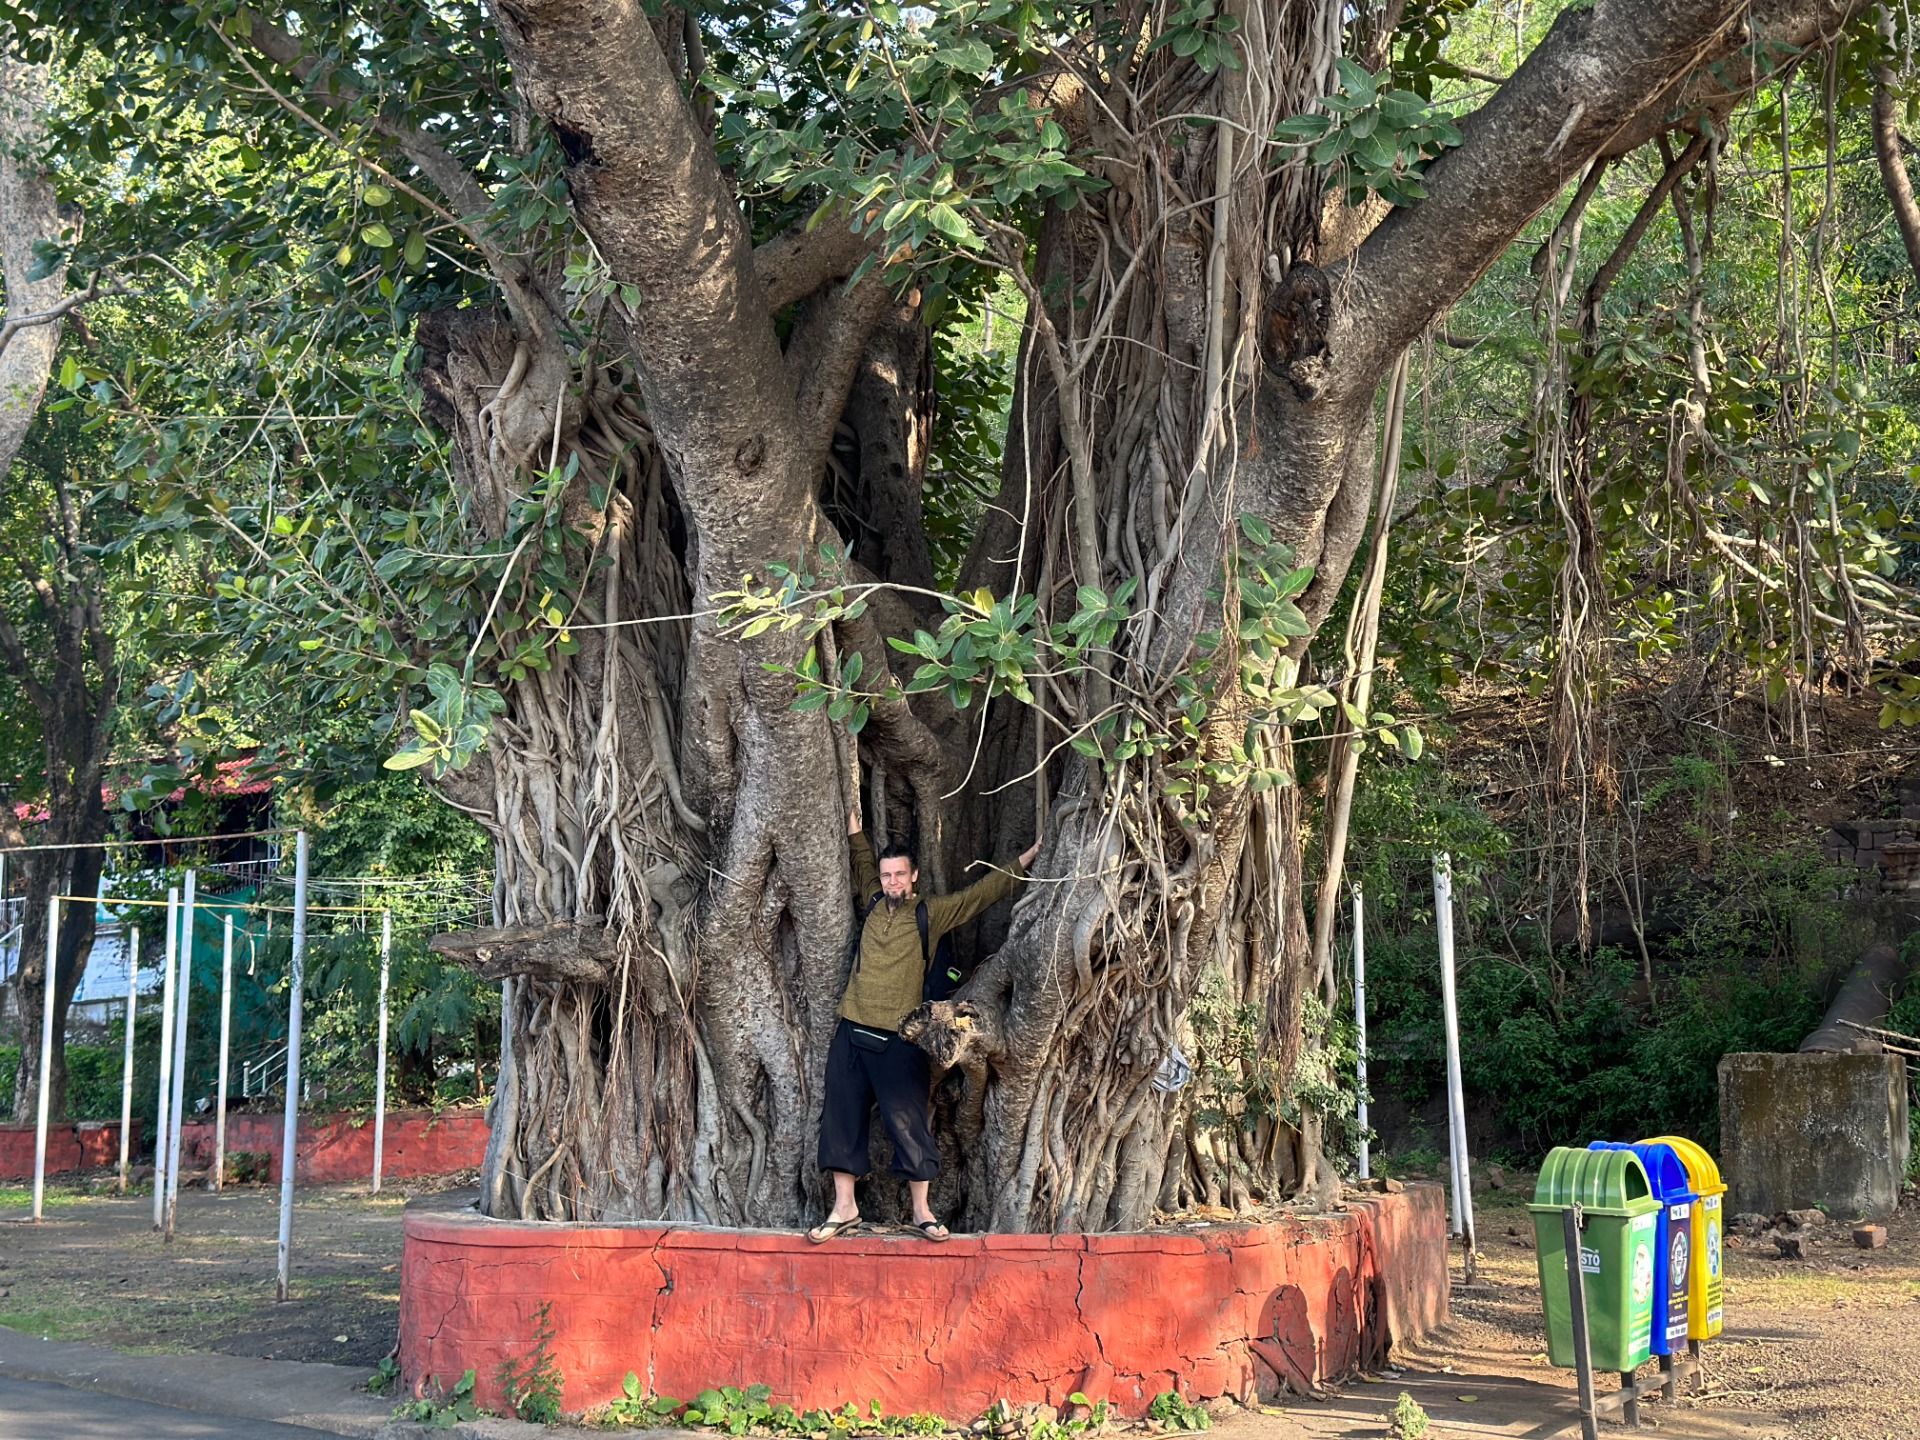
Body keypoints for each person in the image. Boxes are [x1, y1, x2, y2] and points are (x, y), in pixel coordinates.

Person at [808, 804, 1040, 1243]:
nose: (891, 882)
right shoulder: (873, 901)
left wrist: (1026, 860)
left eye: (899, 874)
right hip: (852, 1031)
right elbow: (860, 863)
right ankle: (844, 1207)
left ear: (913, 877)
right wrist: (855, 827)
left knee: (908, 1123)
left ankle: (922, 1211)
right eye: (886, 875)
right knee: (841, 1118)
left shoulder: (929, 914)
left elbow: (980, 895)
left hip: (899, 1038)